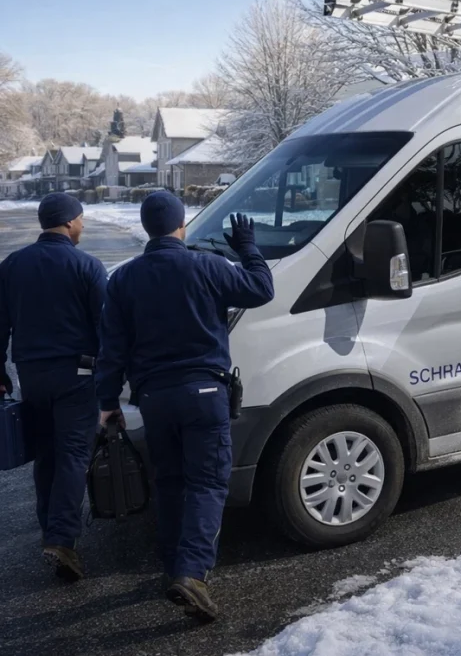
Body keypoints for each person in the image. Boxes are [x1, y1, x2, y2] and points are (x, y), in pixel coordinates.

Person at [94, 192, 274, 622]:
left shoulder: (123, 279)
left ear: (146, 228)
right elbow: (261, 289)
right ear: (182, 226)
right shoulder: (208, 266)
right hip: (205, 394)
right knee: (208, 483)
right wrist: (248, 248)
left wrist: (107, 403)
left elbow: (111, 350)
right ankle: (192, 574)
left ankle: (174, 566)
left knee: (171, 482)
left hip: (154, 399)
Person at [0, 192, 106, 582]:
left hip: (32, 374)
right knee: (74, 454)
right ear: (69, 221)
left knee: (46, 453)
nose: (83, 225)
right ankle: (61, 539)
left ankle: (50, 530)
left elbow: (0, 324)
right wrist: (112, 375)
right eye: (81, 218)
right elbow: (106, 326)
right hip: (77, 374)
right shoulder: (86, 265)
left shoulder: (12, 265)